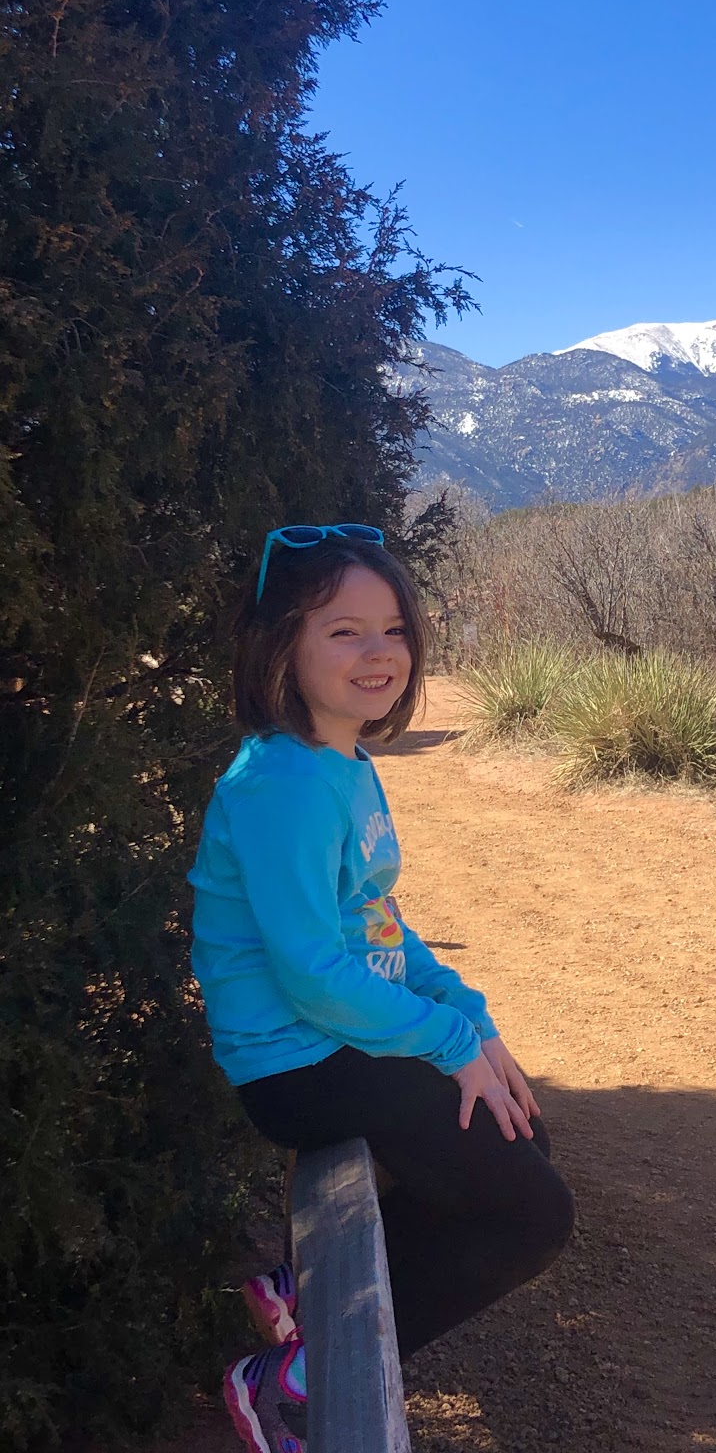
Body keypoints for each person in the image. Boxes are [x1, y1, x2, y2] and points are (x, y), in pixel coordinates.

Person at [188, 524, 574, 1453]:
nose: (378, 654)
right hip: (298, 1063)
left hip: (337, 1045)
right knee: (532, 1214)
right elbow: (315, 975)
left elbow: (381, 930)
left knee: (519, 1128)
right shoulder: (281, 782)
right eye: (343, 631)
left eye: (394, 630)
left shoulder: (343, 764)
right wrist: (445, 1046)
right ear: (281, 644)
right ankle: (292, 1376)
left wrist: (472, 1023)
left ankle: (299, 1302)